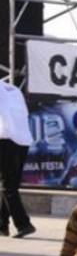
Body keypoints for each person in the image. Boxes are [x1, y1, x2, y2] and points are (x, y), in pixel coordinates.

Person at [0, 81, 36, 238]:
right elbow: (24, 114)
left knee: (8, 186)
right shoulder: (13, 89)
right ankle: (2, 225)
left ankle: (23, 223)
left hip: (6, 139)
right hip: (23, 140)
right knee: (10, 185)